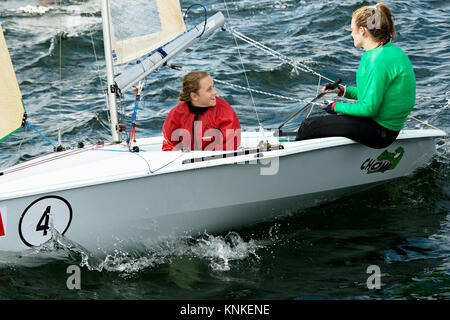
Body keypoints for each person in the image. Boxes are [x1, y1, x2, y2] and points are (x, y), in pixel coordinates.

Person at [295, 3, 416, 149]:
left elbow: (369, 108)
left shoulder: (377, 60)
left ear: (362, 31)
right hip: (381, 125)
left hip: (381, 132)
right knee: (325, 123)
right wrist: (341, 91)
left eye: (352, 30)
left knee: (308, 126)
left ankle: (292, 165)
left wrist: (335, 106)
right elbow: (371, 94)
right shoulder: (386, 50)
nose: (351, 34)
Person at [162, 71, 241, 151]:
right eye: (209, 89)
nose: (215, 92)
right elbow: (170, 146)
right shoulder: (175, 115)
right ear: (194, 96)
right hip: (186, 160)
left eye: (213, 87)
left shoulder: (224, 110)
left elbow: (230, 145)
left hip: (215, 160)